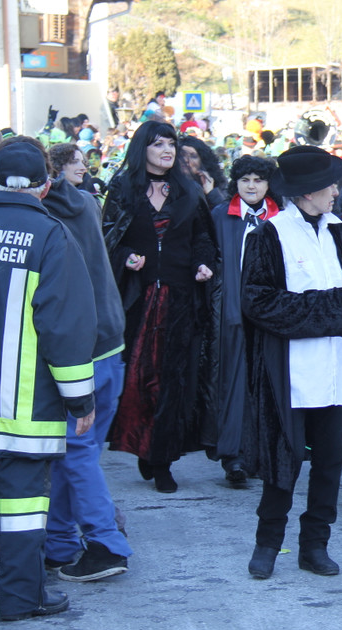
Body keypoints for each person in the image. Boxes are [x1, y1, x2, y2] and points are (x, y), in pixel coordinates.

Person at [0, 142, 97, 619]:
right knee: (22, 506)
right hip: (23, 409)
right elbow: (65, 327)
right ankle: (22, 597)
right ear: (46, 186)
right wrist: (80, 399)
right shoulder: (51, 236)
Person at [240, 146, 342, 579]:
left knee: (329, 462)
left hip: (335, 368)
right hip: (290, 371)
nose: (336, 192)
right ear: (308, 192)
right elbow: (256, 302)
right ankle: (268, 543)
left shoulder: (335, 230)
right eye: (330, 186)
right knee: (282, 462)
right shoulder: (269, 234)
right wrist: (327, 308)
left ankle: (315, 545)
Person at [102, 120, 216, 494]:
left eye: (171, 144)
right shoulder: (123, 188)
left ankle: (162, 458)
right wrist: (126, 257)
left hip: (180, 298)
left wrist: (203, 263)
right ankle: (143, 445)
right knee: (137, 379)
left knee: (173, 379)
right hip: (138, 298)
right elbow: (108, 238)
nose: (167, 151)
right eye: (158, 144)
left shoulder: (188, 189)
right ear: (143, 149)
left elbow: (203, 237)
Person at [207, 155, 280, 488]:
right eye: (245, 180)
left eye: (258, 180)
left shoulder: (281, 217)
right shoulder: (220, 216)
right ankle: (234, 456)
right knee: (233, 385)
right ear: (235, 183)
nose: (252, 186)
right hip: (232, 313)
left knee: (269, 386)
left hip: (271, 315)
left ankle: (265, 455)